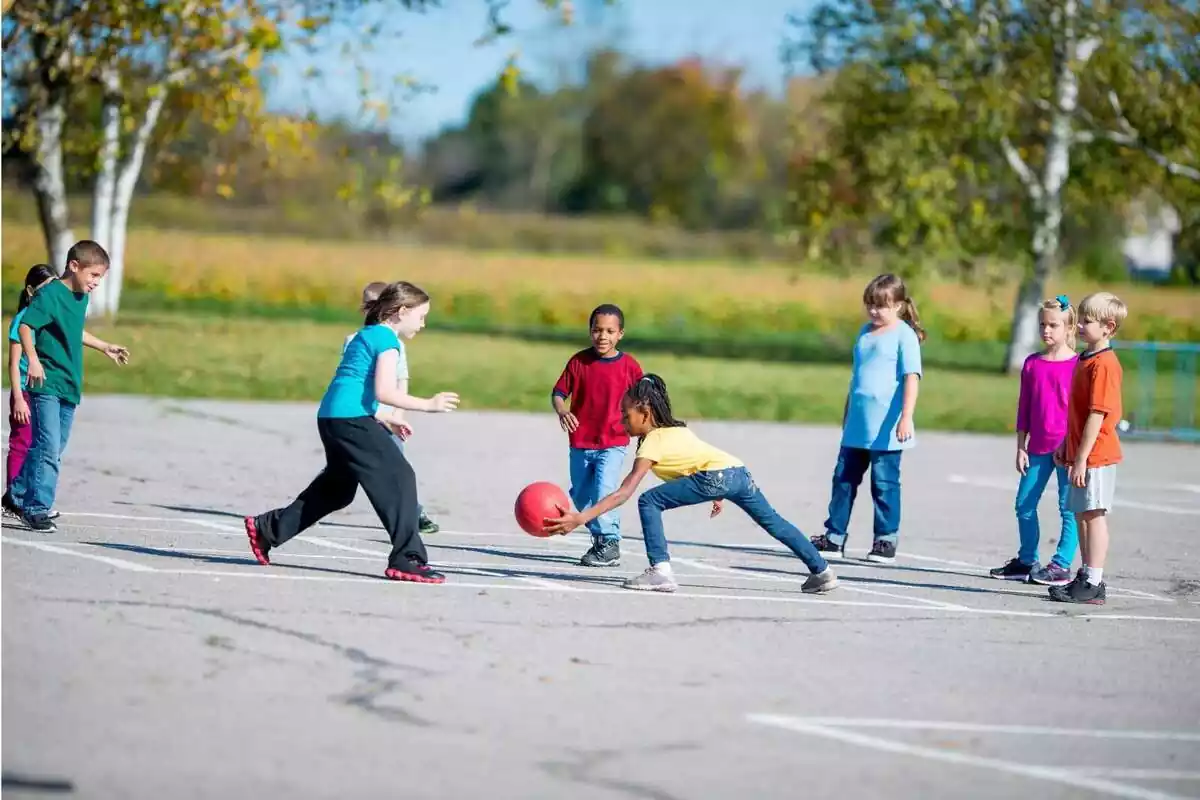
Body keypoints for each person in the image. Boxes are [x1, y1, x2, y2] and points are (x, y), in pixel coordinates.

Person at [543, 374, 839, 595]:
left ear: (645, 413)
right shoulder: (677, 430)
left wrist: (581, 517)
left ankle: (660, 570)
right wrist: (720, 492)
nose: (622, 420)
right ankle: (822, 571)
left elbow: (624, 493)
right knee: (774, 522)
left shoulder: (653, 442)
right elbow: (699, 460)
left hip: (716, 478)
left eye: (626, 414)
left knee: (649, 501)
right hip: (737, 472)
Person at [244, 281, 459, 583]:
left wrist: (385, 417)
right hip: (350, 420)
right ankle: (407, 558)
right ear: (401, 311)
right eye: (421, 316)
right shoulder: (387, 340)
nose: (423, 324)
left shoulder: (366, 334)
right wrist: (428, 404)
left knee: (338, 490)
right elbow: (384, 391)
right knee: (400, 478)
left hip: (334, 417)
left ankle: (269, 529)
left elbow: (353, 387)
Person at [9, 243, 130, 532]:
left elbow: (73, 330)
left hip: (69, 383)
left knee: (53, 447)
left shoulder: (80, 297)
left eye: (101, 277)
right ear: (74, 266)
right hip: (46, 383)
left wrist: (104, 346)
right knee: (48, 447)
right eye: (94, 275)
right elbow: (26, 326)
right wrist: (33, 360)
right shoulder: (50, 294)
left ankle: (16, 495)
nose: (96, 282)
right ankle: (36, 508)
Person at [810, 273, 924, 564]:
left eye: (881, 305)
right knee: (843, 480)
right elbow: (857, 379)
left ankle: (885, 540)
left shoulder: (904, 335)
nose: (874, 311)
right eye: (869, 304)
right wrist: (847, 414)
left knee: (884, 484)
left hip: (887, 427)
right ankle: (834, 537)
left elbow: (911, 378)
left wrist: (906, 417)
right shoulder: (864, 332)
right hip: (858, 425)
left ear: (898, 305)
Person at [990, 295, 1080, 586]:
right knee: (1024, 504)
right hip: (1037, 448)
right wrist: (1020, 446)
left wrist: (1077, 451)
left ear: (1069, 328)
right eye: (1042, 324)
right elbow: (1025, 407)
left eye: (1053, 325)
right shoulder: (1032, 363)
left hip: (1068, 450)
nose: (1046, 330)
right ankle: (1027, 560)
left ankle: (1061, 565)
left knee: (1068, 508)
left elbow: (1081, 412)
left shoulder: (1078, 365)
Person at [551, 303, 644, 567]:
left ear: (620, 334)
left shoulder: (629, 366)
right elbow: (558, 393)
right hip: (580, 441)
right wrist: (562, 411)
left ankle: (609, 542)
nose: (602, 336)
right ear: (590, 331)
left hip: (613, 442)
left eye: (610, 331)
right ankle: (602, 536)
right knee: (581, 495)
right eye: (597, 330)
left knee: (604, 490)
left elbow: (644, 400)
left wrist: (644, 428)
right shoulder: (578, 362)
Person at [1050, 291, 1127, 605]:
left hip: (1096, 454)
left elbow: (1097, 415)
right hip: (1080, 452)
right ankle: (1085, 576)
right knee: (1081, 514)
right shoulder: (1085, 359)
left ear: (1108, 327)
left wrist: (1081, 458)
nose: (1080, 325)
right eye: (1080, 319)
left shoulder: (1104, 364)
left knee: (1093, 515)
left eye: (1087, 321)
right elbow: (1077, 414)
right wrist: (1066, 446)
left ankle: (1094, 580)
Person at [347, 281, 440, 536]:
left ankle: (412, 516)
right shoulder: (368, 339)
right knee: (389, 475)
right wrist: (428, 405)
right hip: (363, 416)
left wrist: (396, 416)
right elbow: (360, 385)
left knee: (395, 472)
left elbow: (400, 380)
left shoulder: (391, 341)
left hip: (382, 418)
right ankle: (407, 538)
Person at [3, 264, 58, 522]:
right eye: (45, 288)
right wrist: (17, 398)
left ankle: (31, 498)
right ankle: (13, 500)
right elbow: (14, 364)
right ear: (31, 291)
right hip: (25, 392)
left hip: (43, 392)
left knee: (41, 446)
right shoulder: (23, 320)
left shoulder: (48, 317)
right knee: (22, 443)